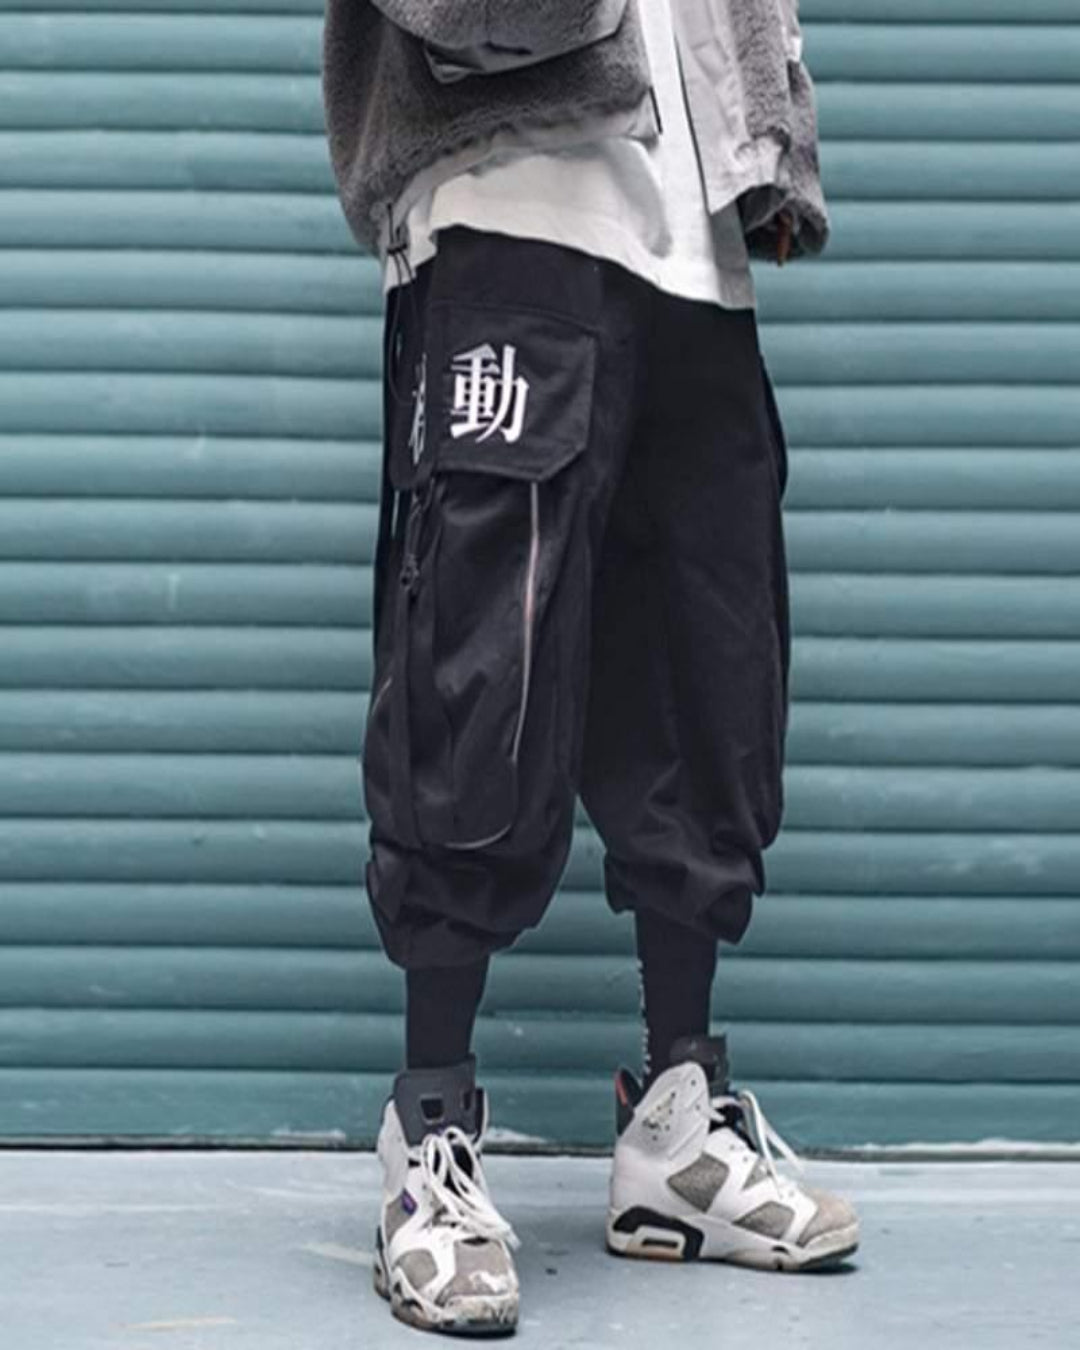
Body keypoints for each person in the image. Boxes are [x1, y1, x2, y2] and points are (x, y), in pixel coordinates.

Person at [322, 0, 859, 1334]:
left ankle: (678, 1123)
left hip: (694, 238)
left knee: (708, 676)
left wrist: (770, 131)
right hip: (506, 186)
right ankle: (429, 1130)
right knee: (477, 679)